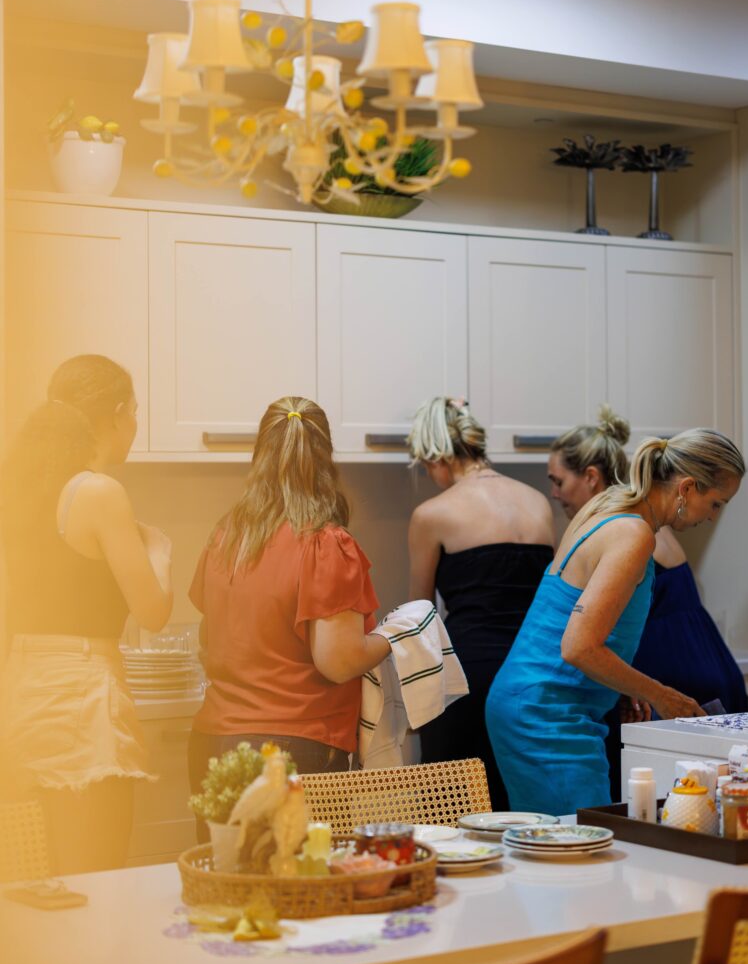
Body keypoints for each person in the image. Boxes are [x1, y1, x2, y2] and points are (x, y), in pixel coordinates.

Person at [486, 429, 746, 816]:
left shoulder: (607, 507)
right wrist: (662, 695)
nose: (712, 517)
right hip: (547, 712)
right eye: (715, 504)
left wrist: (617, 683)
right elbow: (577, 647)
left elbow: (572, 618)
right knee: (579, 842)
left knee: (558, 839)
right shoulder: (634, 534)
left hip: (530, 701)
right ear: (687, 488)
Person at [0, 355, 173, 872]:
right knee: (97, 873)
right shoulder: (97, 491)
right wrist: (159, 551)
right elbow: (153, 612)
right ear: (117, 414)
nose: (135, 424)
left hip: (24, 690)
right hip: (82, 697)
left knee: (38, 878)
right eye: (135, 411)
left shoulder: (21, 488)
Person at [188, 395, 391, 813]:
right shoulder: (327, 544)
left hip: (215, 742)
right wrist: (396, 637)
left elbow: (209, 639)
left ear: (259, 453)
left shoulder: (226, 538)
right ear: (326, 458)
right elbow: (338, 661)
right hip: (294, 748)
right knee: (304, 859)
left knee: (223, 856)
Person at [548, 407, 748, 795]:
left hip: (681, 681)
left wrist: (644, 689)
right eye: (717, 504)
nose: (713, 517)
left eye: (559, 481)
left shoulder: (631, 528)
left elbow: (584, 640)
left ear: (591, 476)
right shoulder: (636, 526)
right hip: (703, 672)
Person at [407, 396, 555, 808]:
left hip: (465, 680)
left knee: (455, 810)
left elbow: (420, 617)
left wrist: (414, 702)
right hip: (532, 672)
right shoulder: (538, 502)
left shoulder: (431, 514)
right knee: (523, 806)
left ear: (438, 456)